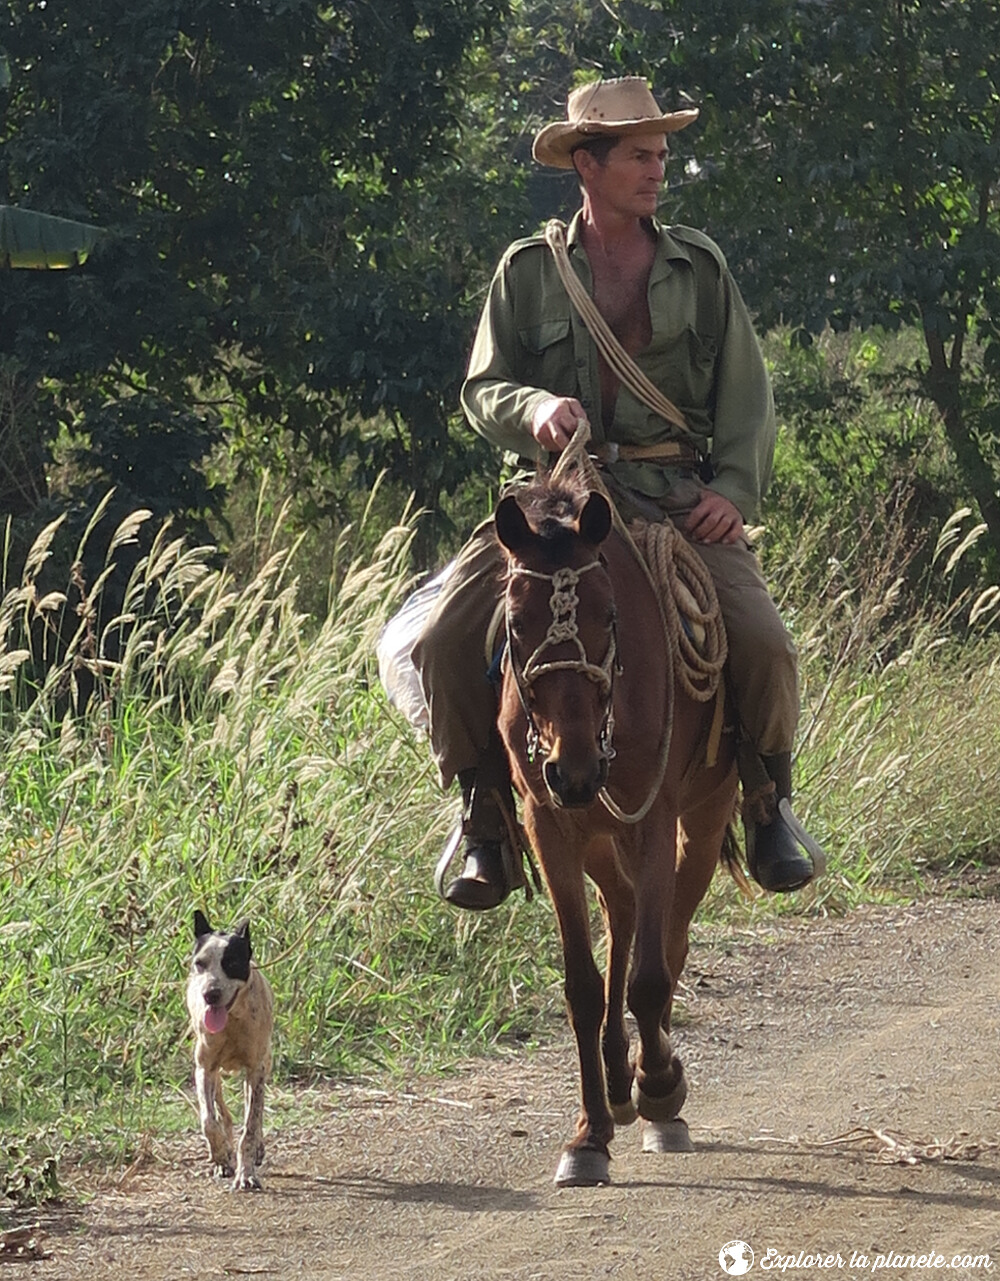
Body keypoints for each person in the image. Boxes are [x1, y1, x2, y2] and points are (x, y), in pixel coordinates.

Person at [412, 76, 817, 910]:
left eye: (662, 154)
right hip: (557, 503)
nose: (658, 169)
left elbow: (749, 395)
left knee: (766, 645)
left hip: (673, 496)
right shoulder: (529, 271)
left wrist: (735, 489)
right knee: (446, 641)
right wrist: (534, 408)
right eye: (640, 154)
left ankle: (766, 803)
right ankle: (486, 817)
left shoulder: (699, 268)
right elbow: (482, 387)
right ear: (587, 163)